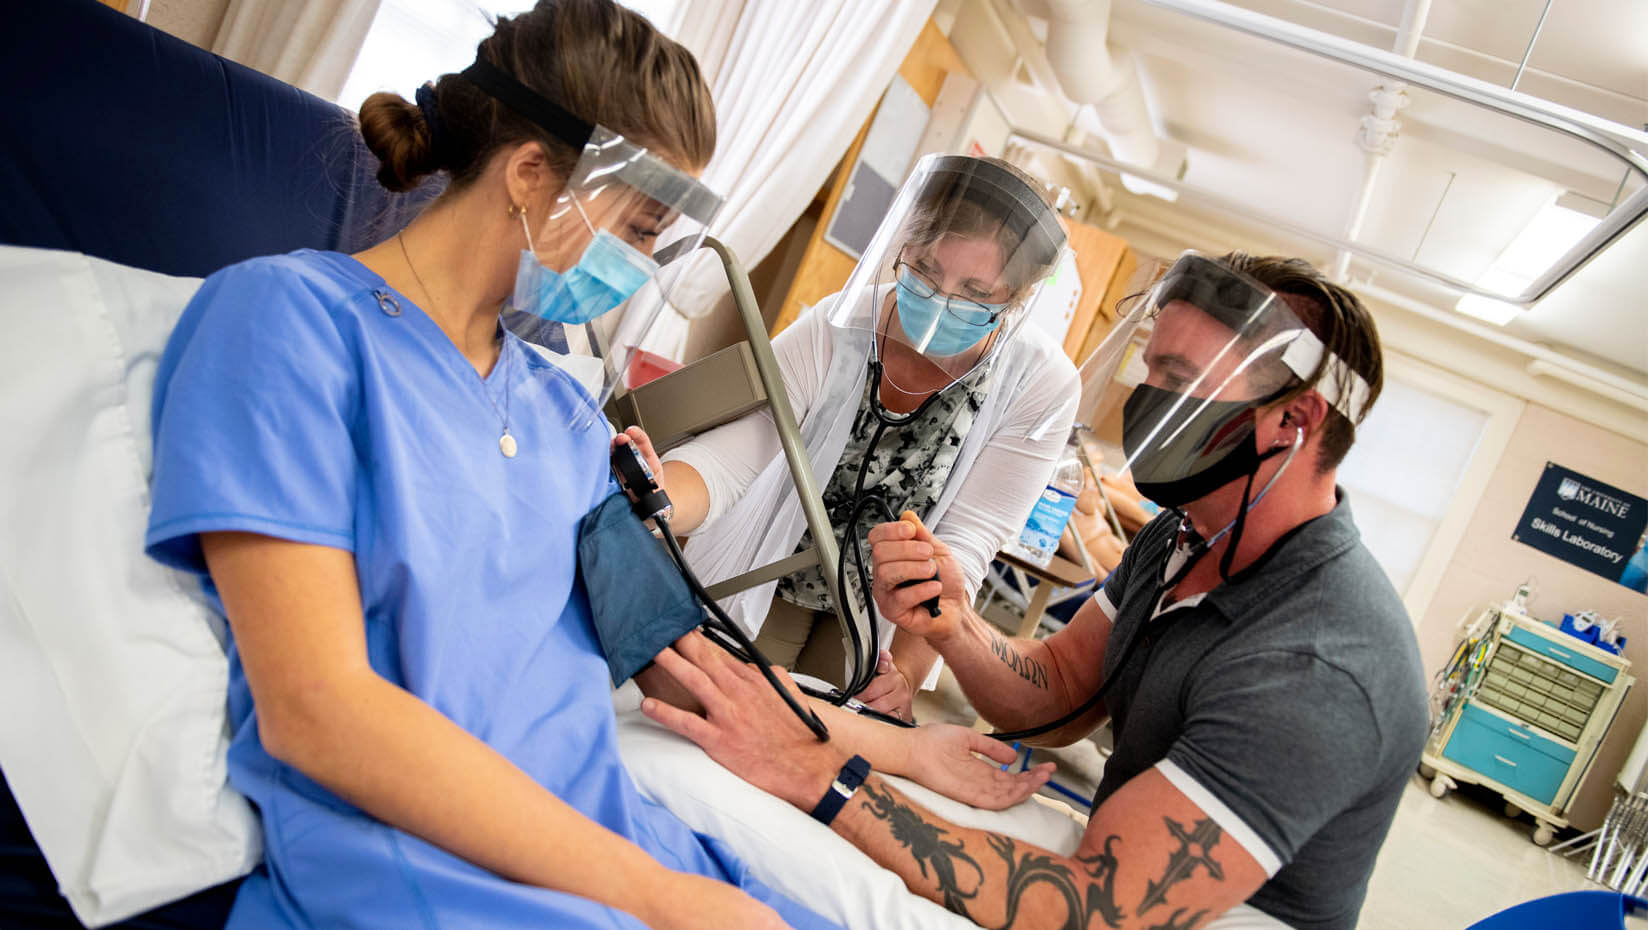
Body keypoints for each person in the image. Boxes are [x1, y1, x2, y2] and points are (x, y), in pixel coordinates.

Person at [137, 2, 1038, 925]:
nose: (644, 265)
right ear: (531, 174)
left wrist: (901, 753)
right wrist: (660, 897)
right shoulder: (286, 324)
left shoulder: (562, 412)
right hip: (431, 871)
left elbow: (684, 662)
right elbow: (318, 713)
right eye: (642, 228)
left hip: (615, 845)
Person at [642, 252, 1429, 929]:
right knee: (721, 766)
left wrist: (821, 772)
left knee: (754, 809)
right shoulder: (1188, 536)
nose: (1146, 398)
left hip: (1179, 911)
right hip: (1119, 864)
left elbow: (1093, 908)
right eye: (1150, 368)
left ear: (1293, 420)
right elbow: (1055, 696)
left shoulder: (1320, 665)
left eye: (1179, 381)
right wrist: (951, 628)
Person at [653, 155, 1080, 720]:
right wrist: (656, 499)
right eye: (925, 271)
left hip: (882, 611)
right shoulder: (839, 325)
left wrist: (903, 673)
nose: (940, 298)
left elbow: (966, 544)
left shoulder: (1038, 385)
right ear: (905, 248)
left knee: (824, 729)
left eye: (975, 291)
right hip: (770, 564)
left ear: (1019, 297)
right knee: (710, 703)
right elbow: (740, 453)